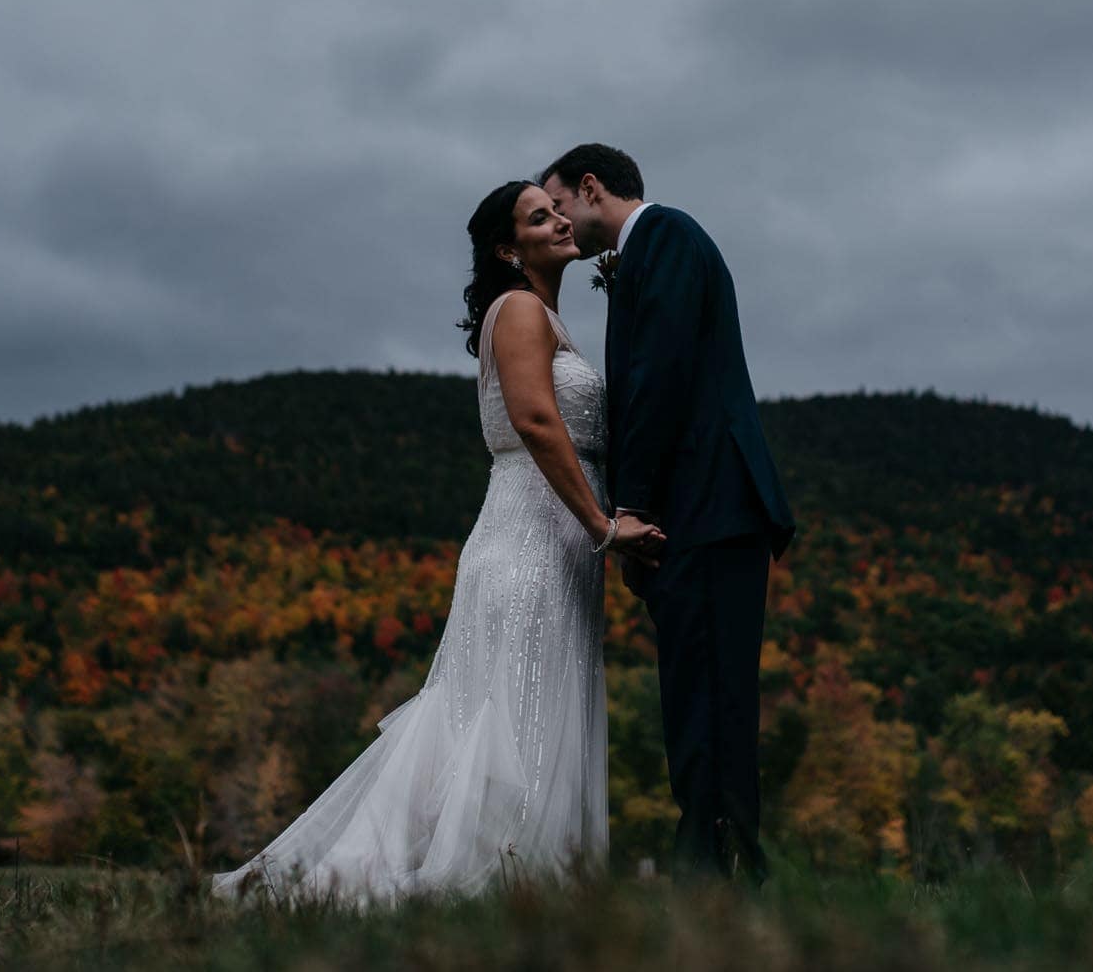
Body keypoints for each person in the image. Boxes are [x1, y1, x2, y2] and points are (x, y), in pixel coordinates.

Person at [213, 180, 664, 904]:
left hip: (555, 540)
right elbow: (537, 424)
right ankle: (480, 874)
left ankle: (523, 874)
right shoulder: (518, 309)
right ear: (507, 247)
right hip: (528, 538)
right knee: (507, 706)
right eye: (538, 215)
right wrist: (604, 527)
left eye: (556, 210)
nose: (557, 220)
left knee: (525, 702)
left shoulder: (543, 315)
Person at [541, 143, 797, 884]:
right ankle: (716, 862)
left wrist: (629, 512)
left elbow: (658, 379)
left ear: (592, 187)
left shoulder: (670, 237)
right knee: (695, 691)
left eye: (560, 205)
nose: (561, 225)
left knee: (712, 696)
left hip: (710, 509)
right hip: (695, 515)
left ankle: (719, 866)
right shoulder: (650, 250)